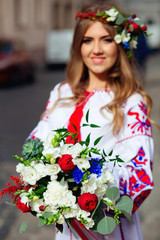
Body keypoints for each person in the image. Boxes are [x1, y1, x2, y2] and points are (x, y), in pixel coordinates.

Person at [28, 3, 157, 240]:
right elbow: (36, 146)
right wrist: (43, 183)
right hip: (68, 227)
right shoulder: (61, 92)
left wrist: (89, 188)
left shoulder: (129, 101)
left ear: (119, 44)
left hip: (108, 224)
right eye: (87, 40)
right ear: (78, 46)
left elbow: (139, 173)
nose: (96, 49)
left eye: (106, 39)